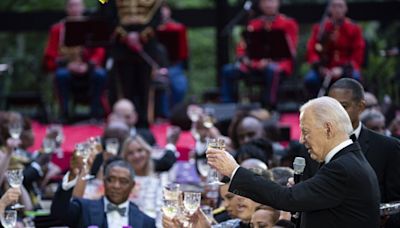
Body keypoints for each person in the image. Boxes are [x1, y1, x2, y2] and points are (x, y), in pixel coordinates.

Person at [207, 96, 380, 228]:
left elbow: (287, 198)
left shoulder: (342, 168)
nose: (302, 140)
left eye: (305, 132)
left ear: (328, 128)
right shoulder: (347, 161)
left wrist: (234, 170)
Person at [328, 78, 400, 227]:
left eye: (343, 106)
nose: (336, 114)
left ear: (360, 106)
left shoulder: (387, 147)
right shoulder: (312, 146)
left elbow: (396, 202)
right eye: (331, 107)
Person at [220, 0, 298, 106]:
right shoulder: (254, 24)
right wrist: (244, 59)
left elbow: (290, 50)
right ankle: (227, 106)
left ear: (278, 3)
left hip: (278, 64)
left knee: (272, 70)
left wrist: (268, 61)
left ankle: (269, 106)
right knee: (227, 70)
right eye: (265, 2)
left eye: (272, 1)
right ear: (260, 5)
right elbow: (242, 48)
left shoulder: (288, 23)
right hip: (254, 64)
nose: (269, 4)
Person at [101, 0, 165, 127]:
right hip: (122, 46)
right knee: (124, 87)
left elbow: (157, 19)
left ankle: (145, 121)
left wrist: (141, 36)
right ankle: (123, 121)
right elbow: (108, 15)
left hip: (146, 46)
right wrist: (125, 36)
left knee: (146, 86)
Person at [43, 0, 107, 120]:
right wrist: (68, 64)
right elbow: (50, 54)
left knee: (101, 75)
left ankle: (96, 112)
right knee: (61, 75)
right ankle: (65, 113)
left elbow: (99, 50)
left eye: (77, 5)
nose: (74, 9)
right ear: (67, 9)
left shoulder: (92, 26)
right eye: (71, 6)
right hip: (67, 67)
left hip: (88, 67)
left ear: (83, 8)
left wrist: (88, 65)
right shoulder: (57, 29)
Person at [51, 159, 156, 228]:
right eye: (111, 179)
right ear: (104, 181)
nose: (116, 186)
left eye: (123, 181)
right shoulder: (83, 208)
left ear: (132, 186)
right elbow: (59, 212)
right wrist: (72, 175)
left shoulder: (146, 222)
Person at [305, 0, 365, 97]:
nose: (337, 10)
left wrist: (342, 69)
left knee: (355, 78)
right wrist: (320, 67)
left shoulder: (354, 28)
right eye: (334, 6)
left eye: (340, 6)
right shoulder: (320, 28)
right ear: (329, 9)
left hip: (346, 68)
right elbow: (311, 50)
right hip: (324, 68)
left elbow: (358, 53)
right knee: (310, 80)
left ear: (346, 9)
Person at [156, 3, 189, 117]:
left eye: (165, 10)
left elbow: (183, 52)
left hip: (174, 65)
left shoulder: (177, 28)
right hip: (154, 66)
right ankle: (165, 115)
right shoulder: (149, 30)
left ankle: (176, 114)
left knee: (179, 84)